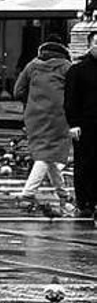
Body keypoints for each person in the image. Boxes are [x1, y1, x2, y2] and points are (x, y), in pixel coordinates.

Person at [15, 39, 72, 213]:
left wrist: (32, 102)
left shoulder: (32, 66)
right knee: (46, 155)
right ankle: (28, 194)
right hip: (59, 116)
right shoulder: (67, 67)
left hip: (34, 116)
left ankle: (63, 194)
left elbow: (18, 91)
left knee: (47, 154)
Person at [63, 29, 97, 220]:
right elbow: (70, 99)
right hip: (84, 125)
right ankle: (85, 201)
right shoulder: (77, 70)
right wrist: (73, 123)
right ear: (89, 45)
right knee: (84, 163)